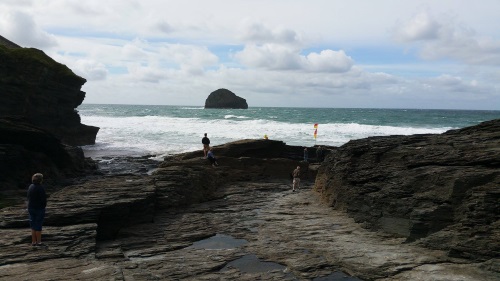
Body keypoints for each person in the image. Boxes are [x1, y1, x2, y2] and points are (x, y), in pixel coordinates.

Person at [27, 173, 47, 247]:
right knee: (38, 224)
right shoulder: (41, 188)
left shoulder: (30, 186)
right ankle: (38, 241)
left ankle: (33, 241)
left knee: (33, 224)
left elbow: (28, 197)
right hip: (39, 209)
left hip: (30, 208)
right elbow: (43, 200)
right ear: (41, 180)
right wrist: (43, 206)